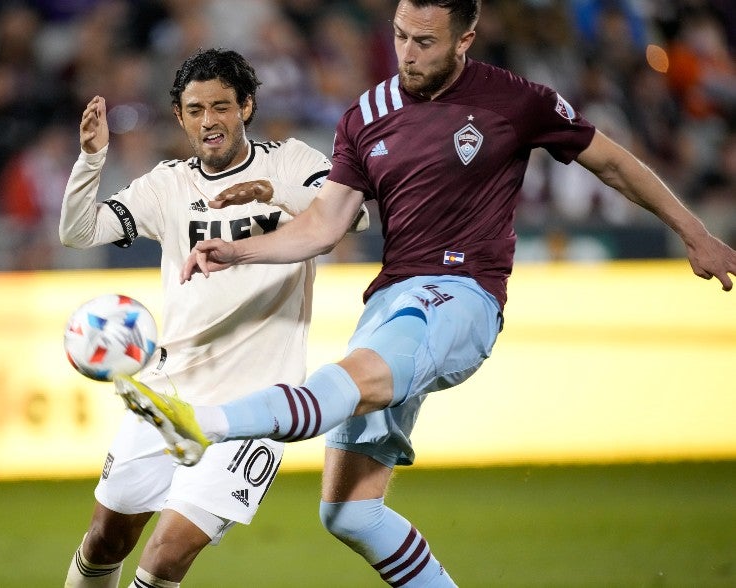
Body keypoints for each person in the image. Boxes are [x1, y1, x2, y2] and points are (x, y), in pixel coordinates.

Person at [117, 1, 736, 586]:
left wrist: (695, 232)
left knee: (348, 379)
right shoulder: (365, 115)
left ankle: (204, 424)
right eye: (399, 36)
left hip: (461, 295)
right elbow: (324, 224)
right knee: (350, 513)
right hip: (390, 301)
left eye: (424, 41)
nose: (406, 53)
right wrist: (239, 249)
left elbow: (614, 163)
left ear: (465, 38)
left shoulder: (515, 101)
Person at [59, 48, 367, 588]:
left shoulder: (290, 161)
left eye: (221, 107)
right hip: (168, 391)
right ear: (179, 116)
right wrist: (90, 160)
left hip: (255, 407)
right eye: (196, 110)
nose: (209, 122)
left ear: (246, 107)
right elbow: (78, 232)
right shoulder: (167, 185)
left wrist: (270, 191)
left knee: (165, 556)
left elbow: (353, 215)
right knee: (106, 537)